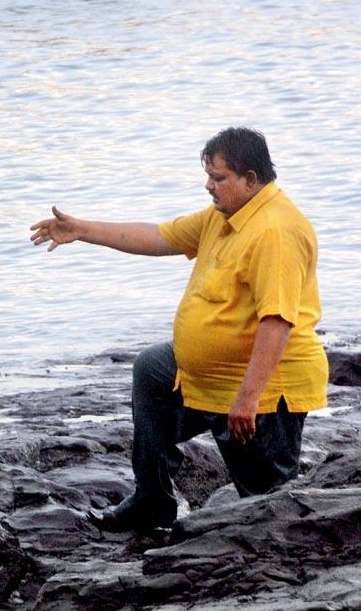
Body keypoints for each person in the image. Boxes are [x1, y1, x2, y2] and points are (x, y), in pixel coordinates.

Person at [29, 127, 327, 532]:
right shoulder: (225, 218)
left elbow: (277, 321)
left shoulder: (275, 232)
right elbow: (159, 236)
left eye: (219, 178)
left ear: (251, 179)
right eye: (208, 175)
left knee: (268, 512)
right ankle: (152, 500)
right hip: (212, 375)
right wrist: (82, 230)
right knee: (153, 367)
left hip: (265, 389)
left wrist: (248, 397)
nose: (209, 186)